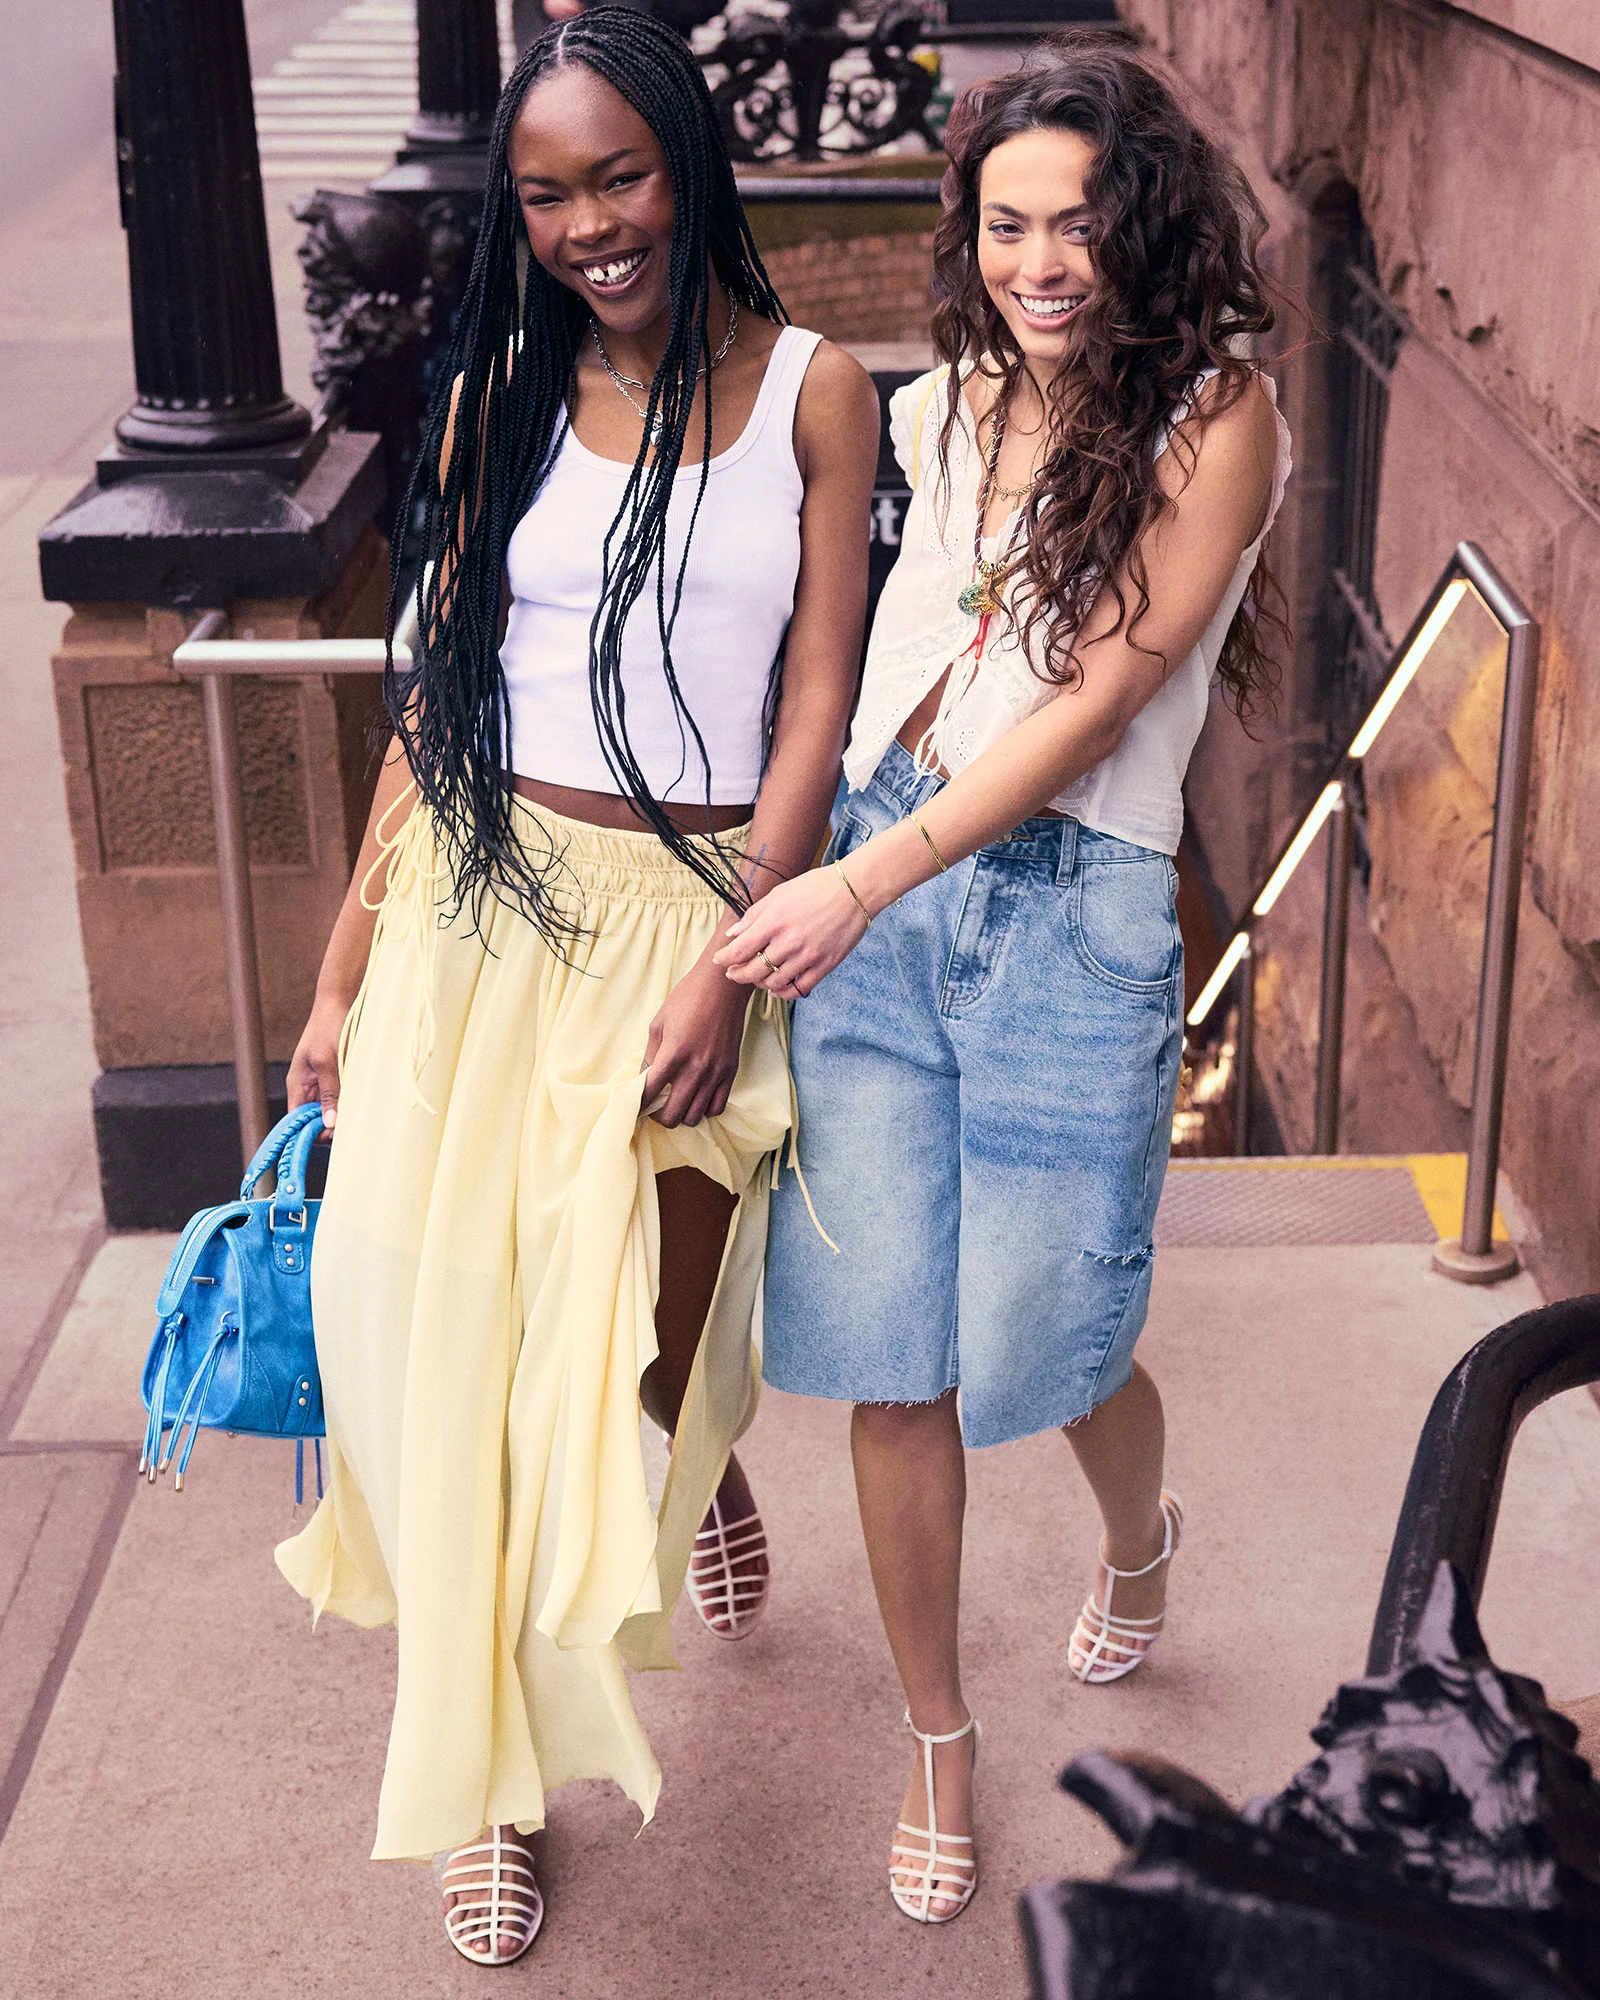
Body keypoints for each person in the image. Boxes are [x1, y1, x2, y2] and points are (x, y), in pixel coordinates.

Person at [277, 7, 877, 1964]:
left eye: (618, 175)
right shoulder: (494, 401)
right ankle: (494, 1788)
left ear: (689, 162)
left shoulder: (813, 391)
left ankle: (703, 1466)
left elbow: (814, 700)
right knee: (438, 1357)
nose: (588, 224)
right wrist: (339, 976)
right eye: (544, 195)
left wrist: (739, 947)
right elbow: (433, 714)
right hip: (472, 906)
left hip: (681, 922)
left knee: (634, 1361)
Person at [716, 32, 1292, 1927]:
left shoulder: (1220, 421)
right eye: (1006, 224)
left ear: (1149, 227)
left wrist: (858, 883)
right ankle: (939, 1736)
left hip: (1066, 914)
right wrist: (813, 854)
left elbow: (1101, 700)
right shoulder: (948, 404)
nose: (1041, 263)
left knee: (1051, 1344)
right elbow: (864, 640)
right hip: (879, 884)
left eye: (1079, 225)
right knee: (894, 1357)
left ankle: (1139, 1535)